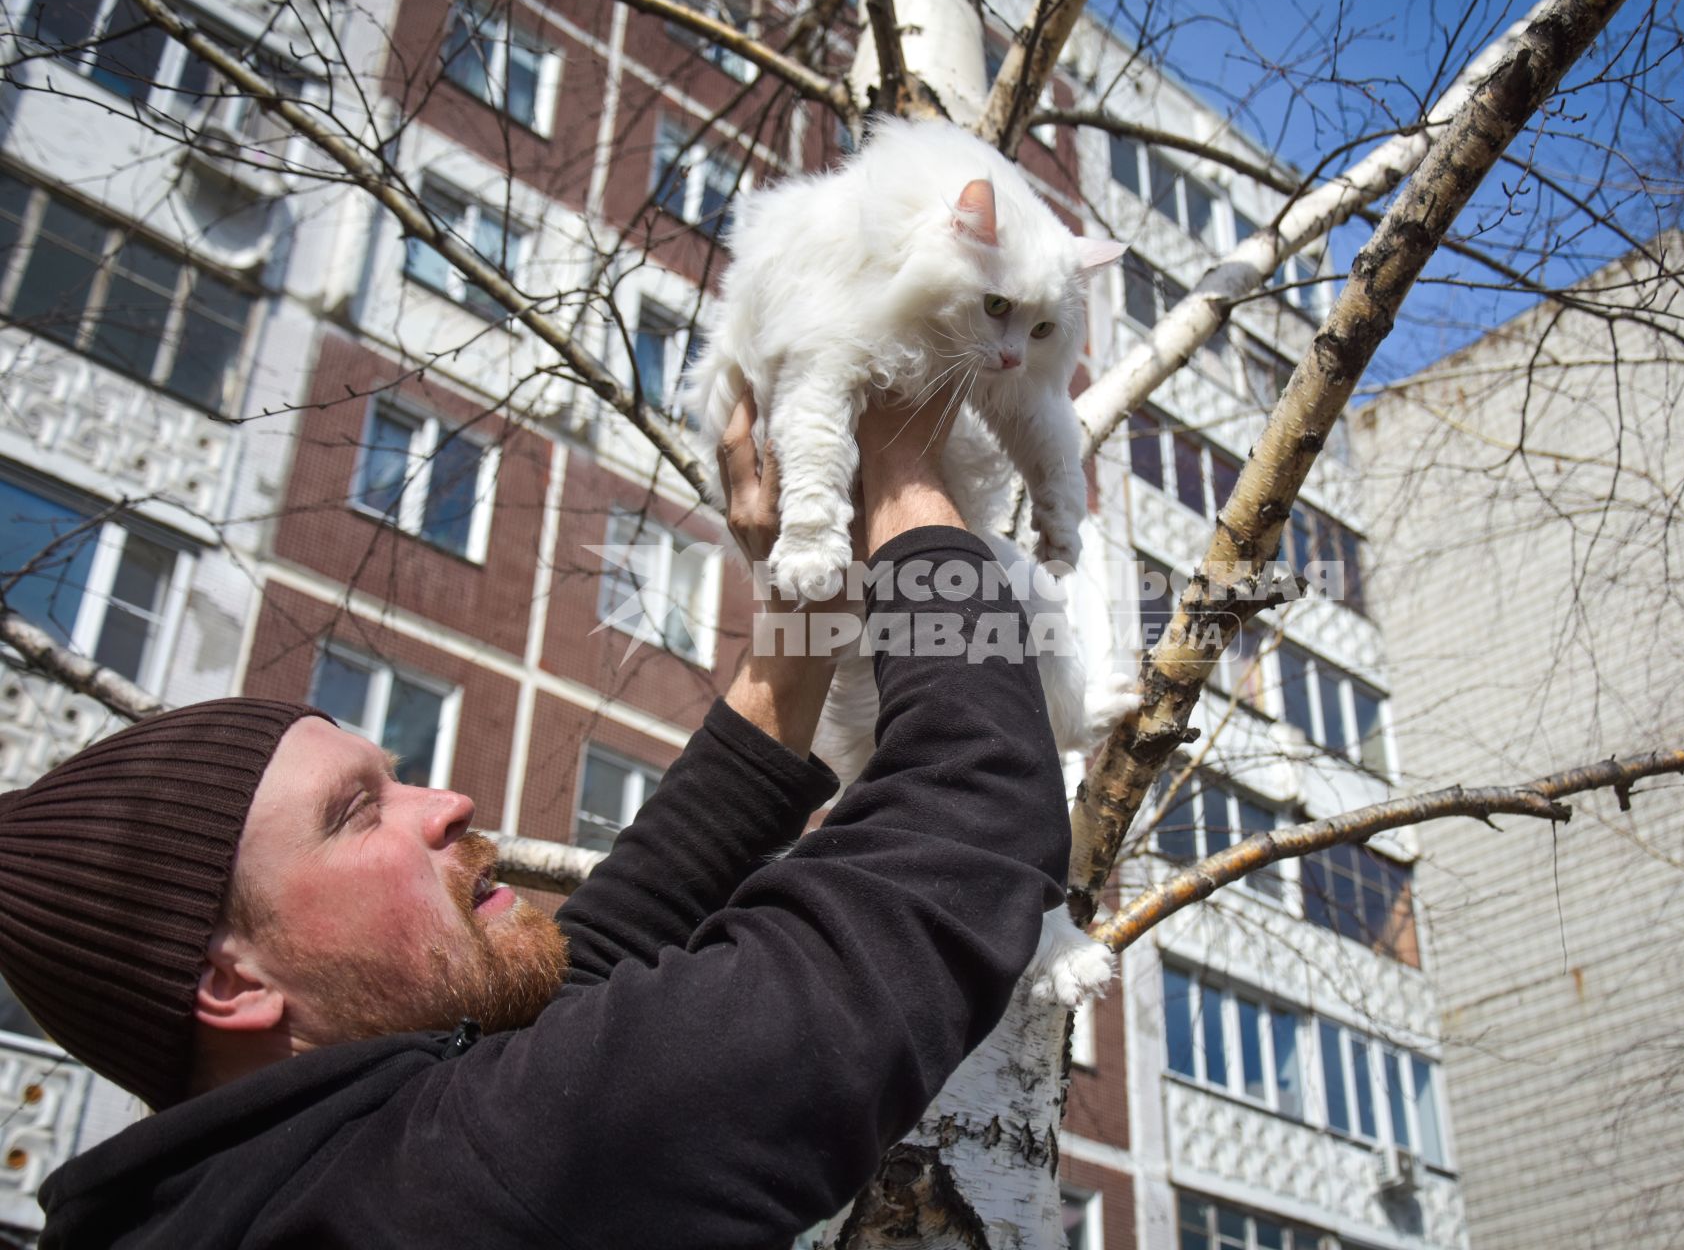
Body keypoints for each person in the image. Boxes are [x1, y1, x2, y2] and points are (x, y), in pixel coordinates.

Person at [0, 393, 1072, 1247]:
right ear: (231, 979)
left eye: (398, 773)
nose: (451, 803)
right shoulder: (449, 1193)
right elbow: (966, 816)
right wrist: (904, 472)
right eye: (356, 812)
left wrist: (804, 605)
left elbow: (590, 957)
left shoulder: (250, 1187)